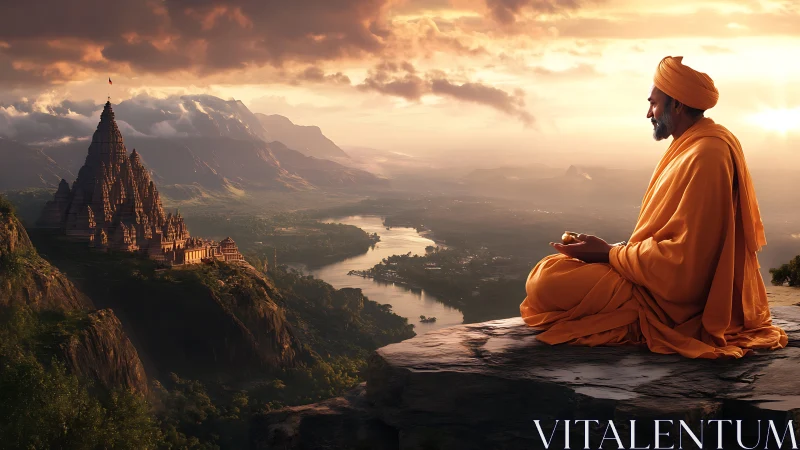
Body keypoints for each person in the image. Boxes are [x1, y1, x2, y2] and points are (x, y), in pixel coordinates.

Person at [519, 56, 788, 359]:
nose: (648, 113)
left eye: (654, 104)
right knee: (551, 270)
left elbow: (685, 270)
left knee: (546, 282)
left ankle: (636, 319)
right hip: (650, 276)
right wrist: (612, 251)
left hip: (669, 301)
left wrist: (609, 254)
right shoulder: (692, 144)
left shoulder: (707, 153)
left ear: (678, 105)